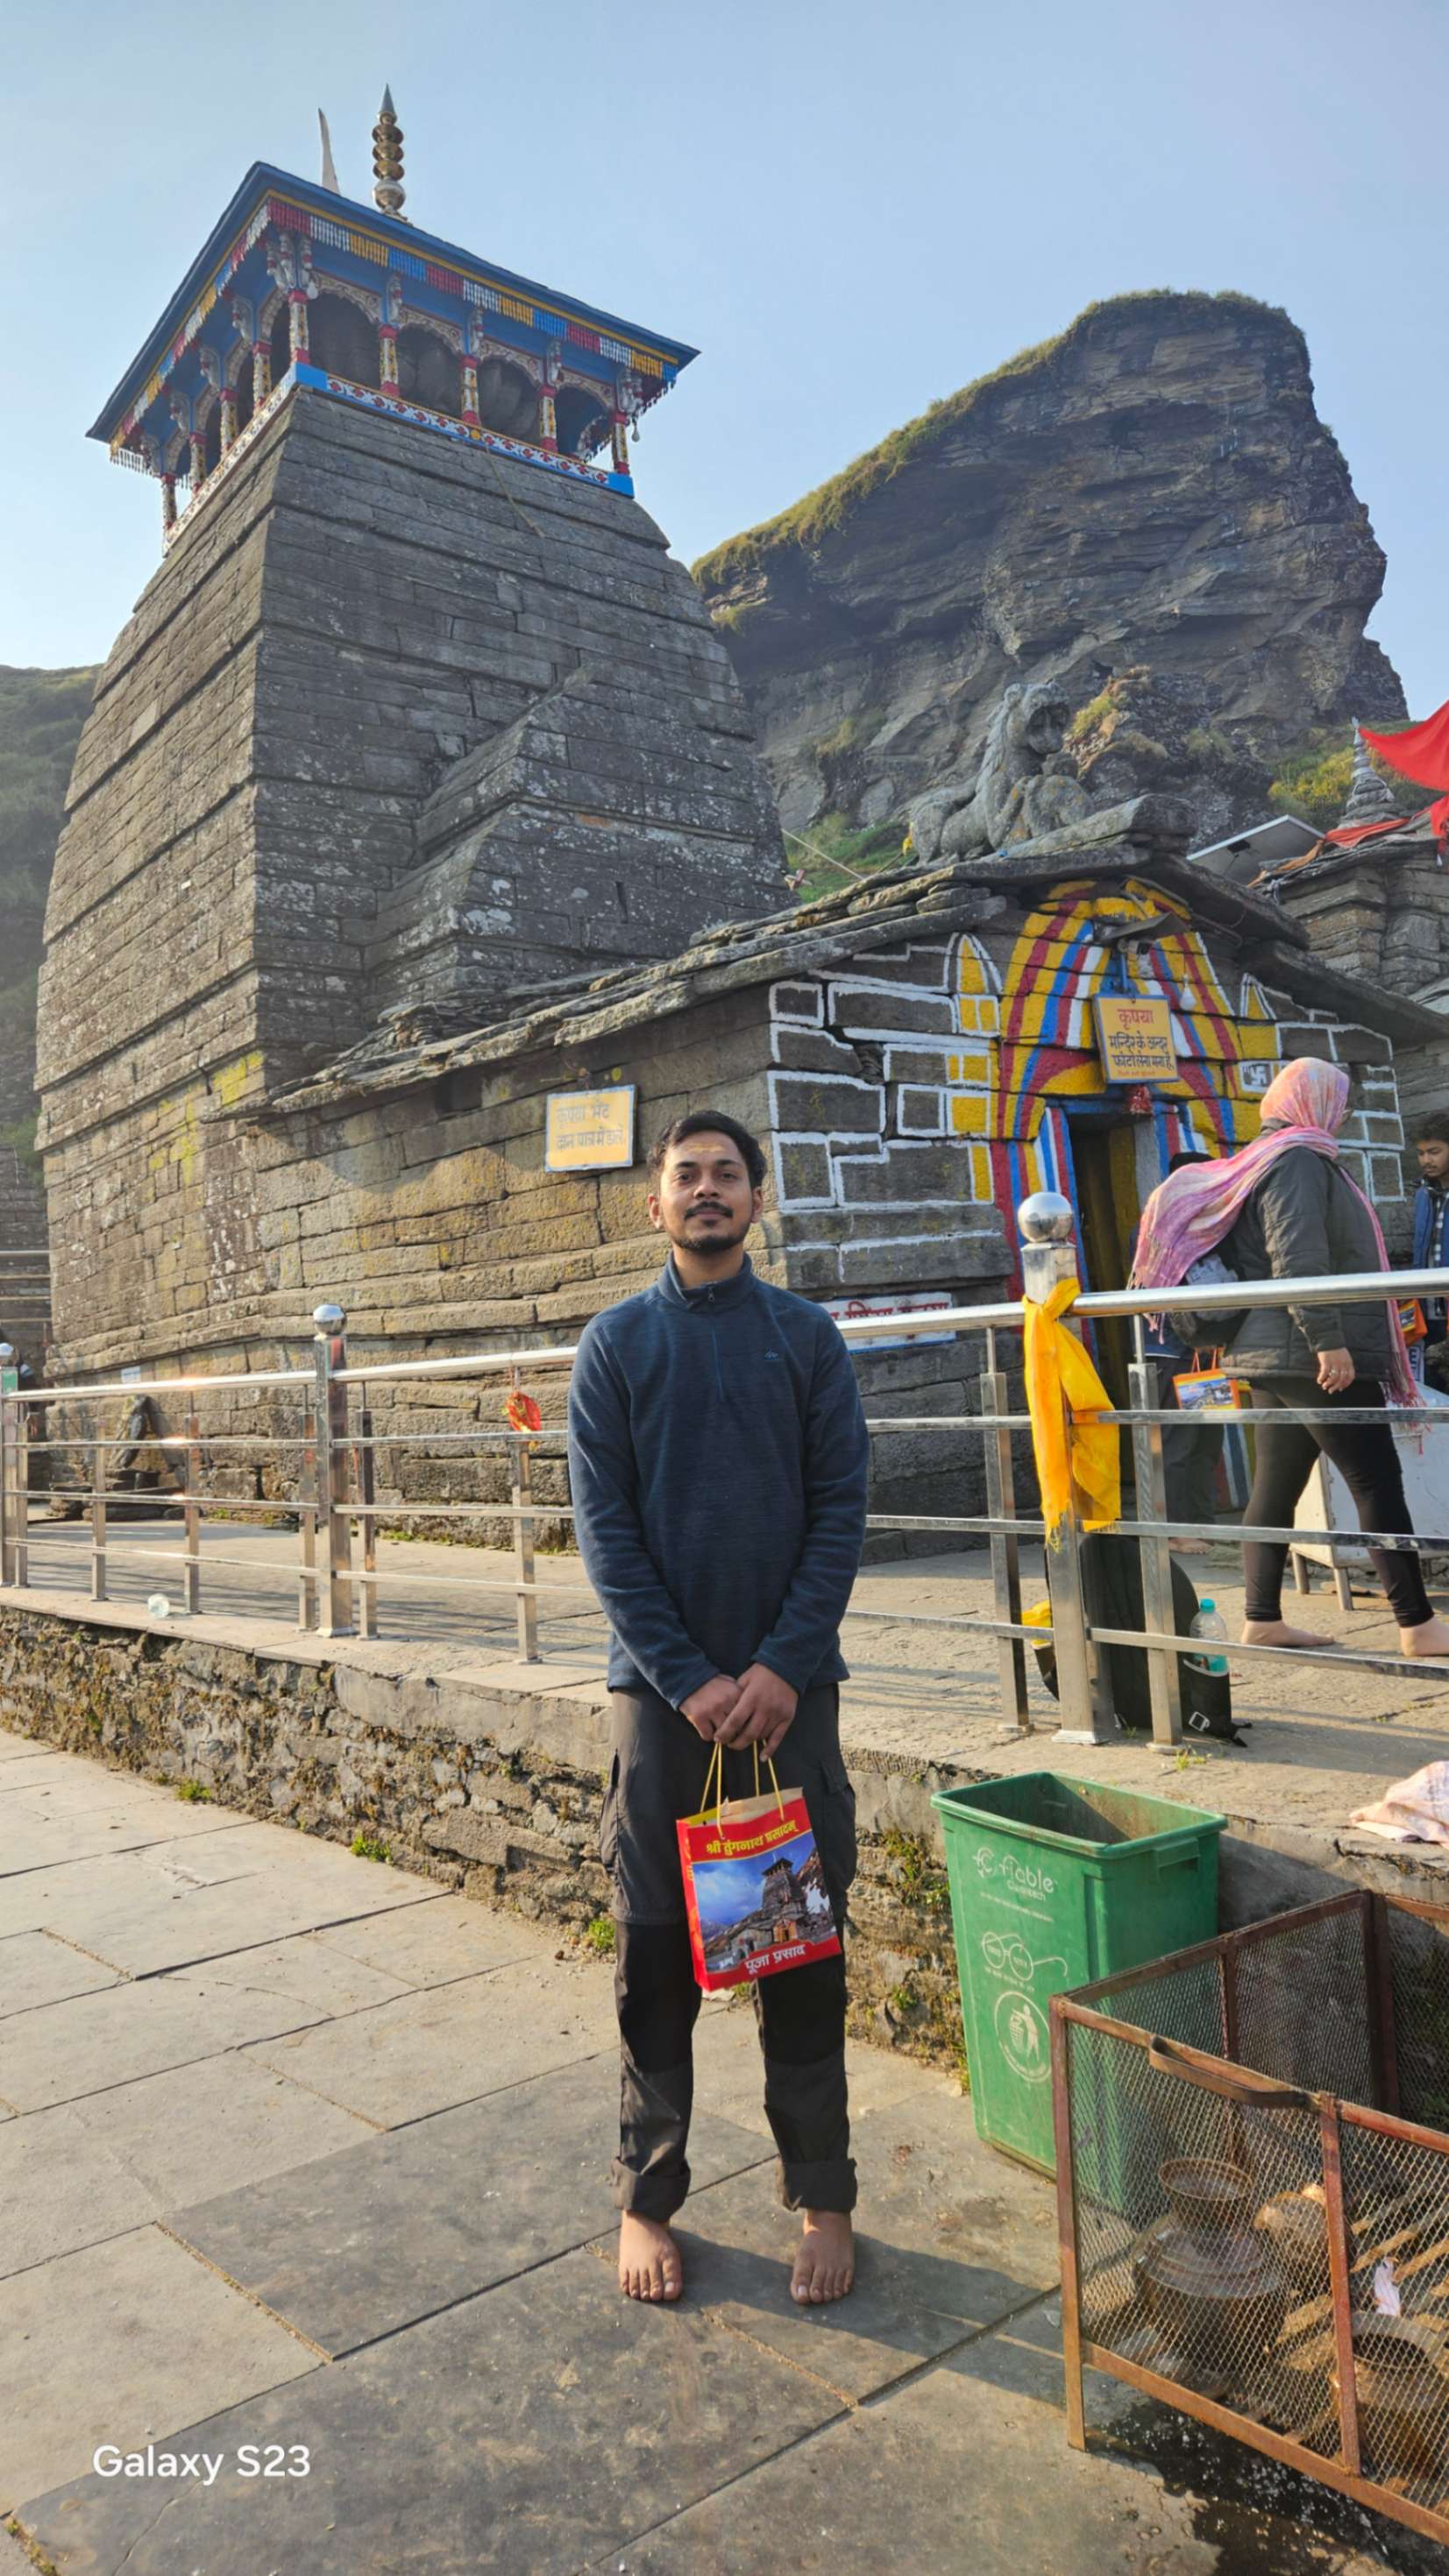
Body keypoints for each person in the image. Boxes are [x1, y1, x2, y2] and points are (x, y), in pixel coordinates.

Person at [567, 1110, 870, 2310]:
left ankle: (825, 2191)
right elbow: (608, 1534)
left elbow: (841, 1505)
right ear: (655, 1203)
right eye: (685, 1175)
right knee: (657, 1947)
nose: (706, 1190)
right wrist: (691, 1675)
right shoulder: (616, 1345)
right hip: (662, 1699)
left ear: (757, 1200)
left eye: (726, 1175)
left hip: (792, 1694)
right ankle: (647, 2194)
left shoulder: (803, 1339)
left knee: (799, 1937)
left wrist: (785, 1664)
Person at [1132, 1058, 1449, 1659]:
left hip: (1272, 1350)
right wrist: (1327, 1339)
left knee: (1275, 1485)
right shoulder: (1297, 1159)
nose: (1345, 1112)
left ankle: (1260, 1617)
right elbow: (1297, 1253)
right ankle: (1417, 1623)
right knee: (1375, 1478)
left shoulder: (1273, 1157)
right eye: (1339, 1101)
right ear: (1314, 1102)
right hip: (1308, 1350)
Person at [1127, 1151, 1225, 1535]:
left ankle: (1202, 1524)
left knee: (1205, 1440)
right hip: (1168, 1351)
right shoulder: (1159, 1224)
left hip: (1205, 1354)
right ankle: (1175, 1531)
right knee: (1177, 1442)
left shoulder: (1203, 1222)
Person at [1412, 1114, 1449, 1391]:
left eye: (1435, 1152)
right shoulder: (1422, 1195)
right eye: (1421, 1153)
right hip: (1429, 1314)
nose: (1426, 1160)